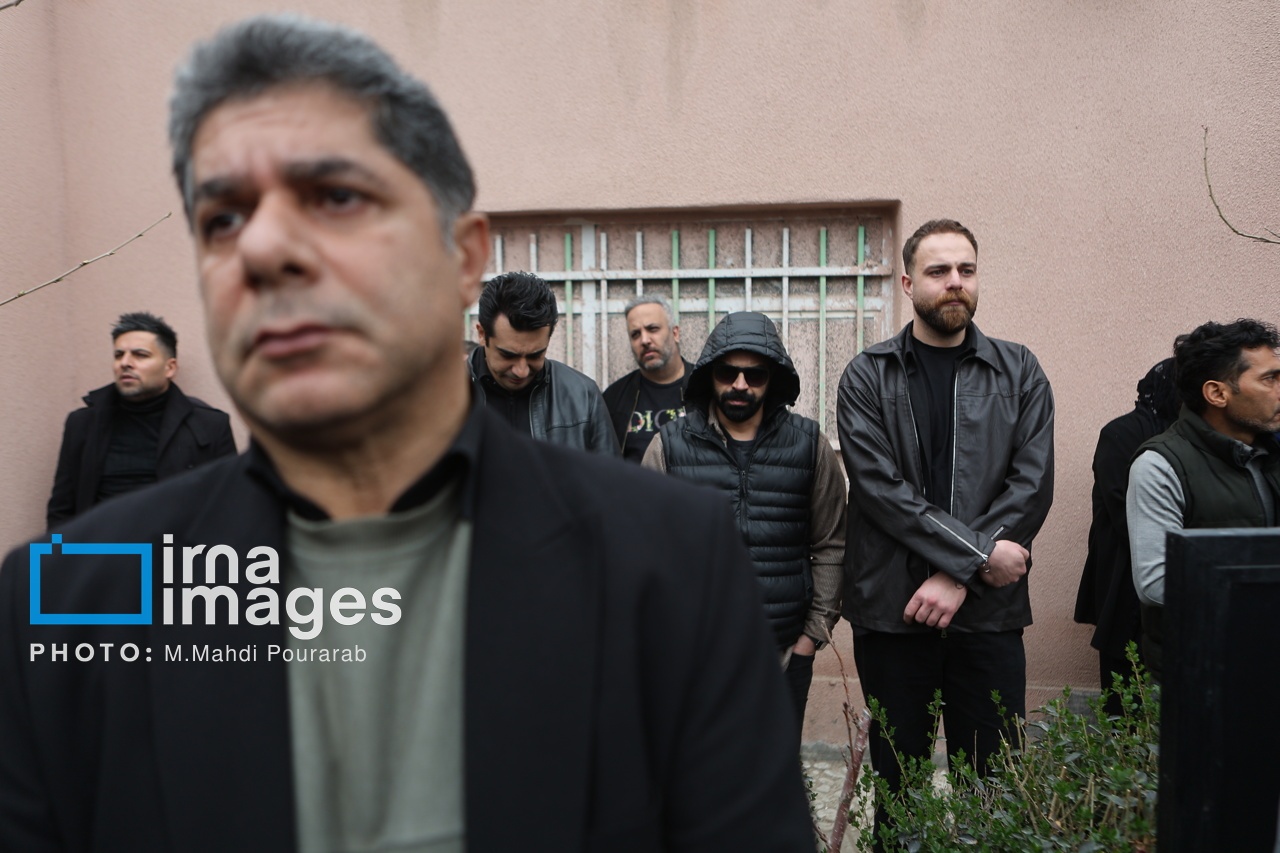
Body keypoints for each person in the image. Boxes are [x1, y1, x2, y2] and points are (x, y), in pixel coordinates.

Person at [0, 15, 812, 852]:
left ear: (462, 257)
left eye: (337, 198)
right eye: (225, 218)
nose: (267, 248)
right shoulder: (67, 603)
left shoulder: (673, 568)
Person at [837, 218, 1054, 840]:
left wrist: (959, 573)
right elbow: (880, 490)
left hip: (987, 612)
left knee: (992, 787)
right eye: (938, 271)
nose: (955, 281)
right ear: (909, 283)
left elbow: (1032, 483)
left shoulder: (1019, 370)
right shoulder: (867, 374)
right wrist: (977, 556)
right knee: (899, 790)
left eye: (966, 269)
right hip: (894, 609)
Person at [642, 311, 846, 733]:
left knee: (773, 769)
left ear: (772, 378)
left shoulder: (810, 445)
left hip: (784, 656)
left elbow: (831, 543)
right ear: (709, 375)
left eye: (754, 375)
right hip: (693, 660)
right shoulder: (669, 446)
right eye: (728, 372)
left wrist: (811, 638)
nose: (740, 384)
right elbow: (643, 550)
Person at [1127, 319, 1280, 681]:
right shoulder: (1161, 465)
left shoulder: (1271, 452)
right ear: (1217, 393)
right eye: (1269, 379)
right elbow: (1156, 583)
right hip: (1204, 673)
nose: (1278, 390)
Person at [45, 310, 236, 528]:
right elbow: (61, 512)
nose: (125, 363)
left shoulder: (210, 426)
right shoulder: (82, 424)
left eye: (140, 355)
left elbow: (229, 509)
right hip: (101, 546)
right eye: (119, 355)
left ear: (170, 367)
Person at [1073, 358, 1179, 710]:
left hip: (1149, 565)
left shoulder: (1179, 436)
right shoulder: (1121, 433)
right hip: (1123, 563)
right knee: (1124, 665)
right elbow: (1121, 503)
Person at [469, 270, 618, 455]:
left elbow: (609, 471)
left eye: (535, 356)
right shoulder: (443, 395)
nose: (521, 371)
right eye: (508, 355)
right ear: (482, 334)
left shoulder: (583, 395)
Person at [602, 296, 693, 462]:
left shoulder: (705, 386)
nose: (644, 340)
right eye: (635, 334)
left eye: (653, 329)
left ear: (675, 333)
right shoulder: (614, 398)